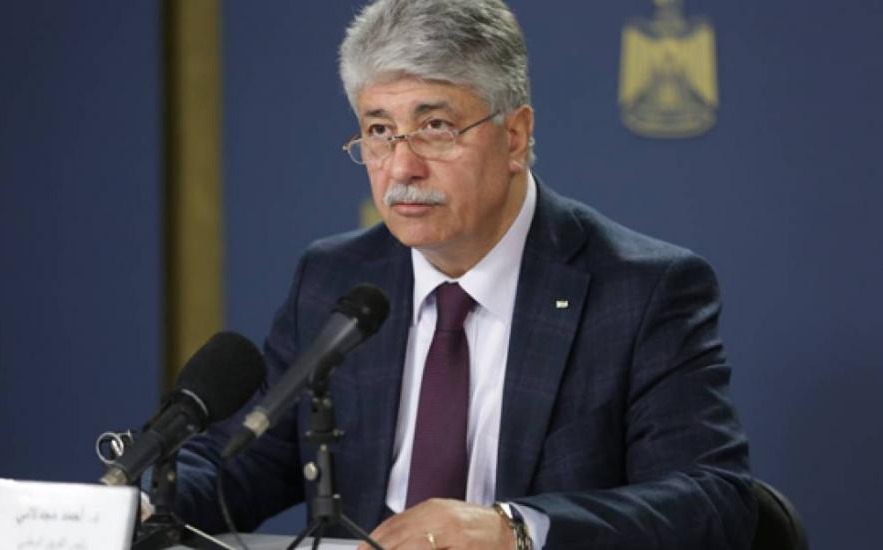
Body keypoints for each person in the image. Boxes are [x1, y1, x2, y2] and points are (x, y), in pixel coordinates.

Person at [171, 1, 757, 548]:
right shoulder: (337, 279)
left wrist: (514, 530)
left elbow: (713, 499)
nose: (402, 167)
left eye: (435, 127)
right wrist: (143, 502)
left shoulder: (640, 290)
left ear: (515, 137)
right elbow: (243, 462)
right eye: (379, 131)